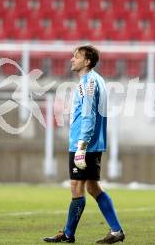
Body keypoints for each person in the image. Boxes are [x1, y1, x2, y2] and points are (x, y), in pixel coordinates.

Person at [44, 45, 125, 243]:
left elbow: (88, 116)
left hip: (85, 144)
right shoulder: (96, 80)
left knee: (76, 185)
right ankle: (116, 231)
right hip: (92, 143)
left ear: (87, 61)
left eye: (76, 56)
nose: (72, 59)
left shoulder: (88, 83)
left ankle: (69, 234)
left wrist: (81, 145)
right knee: (93, 187)